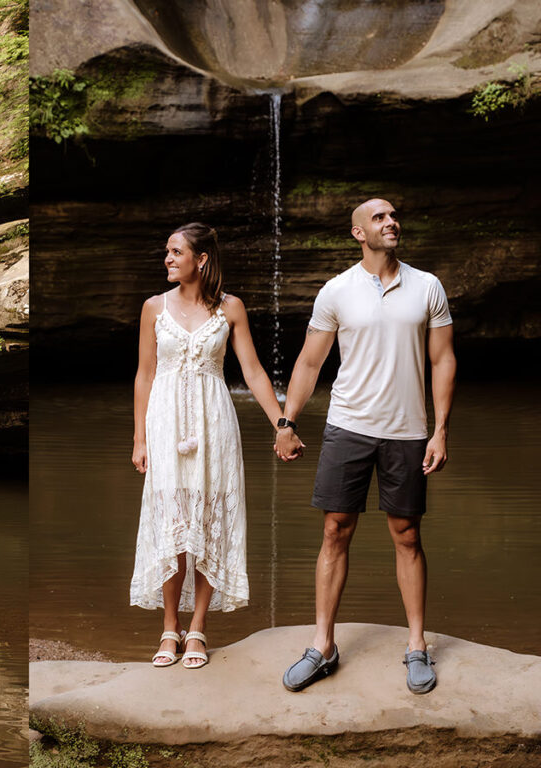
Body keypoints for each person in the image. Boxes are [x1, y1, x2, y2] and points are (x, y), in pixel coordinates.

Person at [275, 198, 456, 694]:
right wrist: (286, 422)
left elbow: (442, 360)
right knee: (335, 530)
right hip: (348, 426)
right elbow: (310, 363)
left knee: (407, 536)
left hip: (407, 430)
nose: (391, 221)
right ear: (358, 233)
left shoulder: (427, 287)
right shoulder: (337, 290)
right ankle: (323, 647)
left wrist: (440, 430)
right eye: (378, 218)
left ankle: (417, 647)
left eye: (393, 215)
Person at [131, 222, 285, 669]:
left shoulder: (231, 308)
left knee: (208, 521)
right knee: (171, 521)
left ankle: (197, 627)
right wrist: (139, 437)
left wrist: (282, 423)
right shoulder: (153, 308)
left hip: (214, 422)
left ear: (201, 259)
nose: (167, 259)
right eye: (167, 251)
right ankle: (168, 627)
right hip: (164, 424)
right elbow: (144, 375)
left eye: (176, 251)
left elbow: (254, 372)